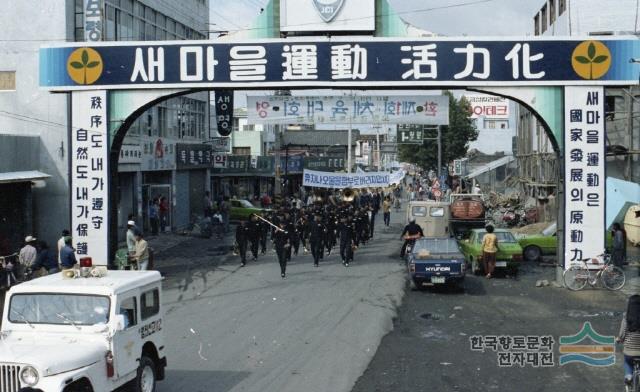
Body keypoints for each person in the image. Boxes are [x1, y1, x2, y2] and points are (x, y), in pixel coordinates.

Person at [618, 295, 640, 387]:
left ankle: (629, 377)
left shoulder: (626, 318)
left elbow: (622, 334)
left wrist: (619, 339)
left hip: (629, 352)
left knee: (627, 363)